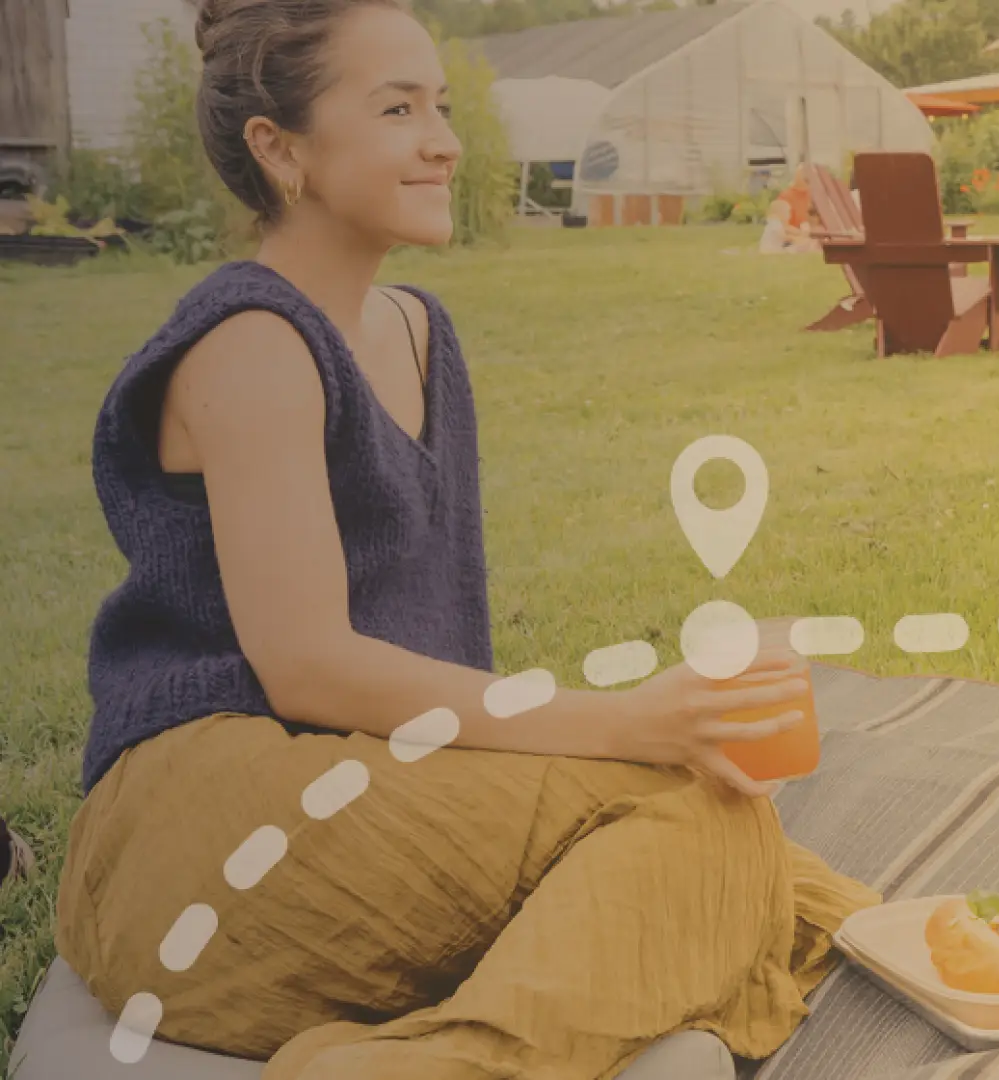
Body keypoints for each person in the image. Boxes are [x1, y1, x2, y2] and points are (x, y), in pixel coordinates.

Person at [57, 2, 878, 1078]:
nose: (444, 139)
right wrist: (626, 721)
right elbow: (305, 665)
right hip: (207, 827)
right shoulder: (253, 346)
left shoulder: (417, 330)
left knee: (761, 849)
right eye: (398, 109)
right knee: (712, 839)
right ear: (281, 148)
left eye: (438, 105)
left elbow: (422, 654)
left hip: (367, 780)